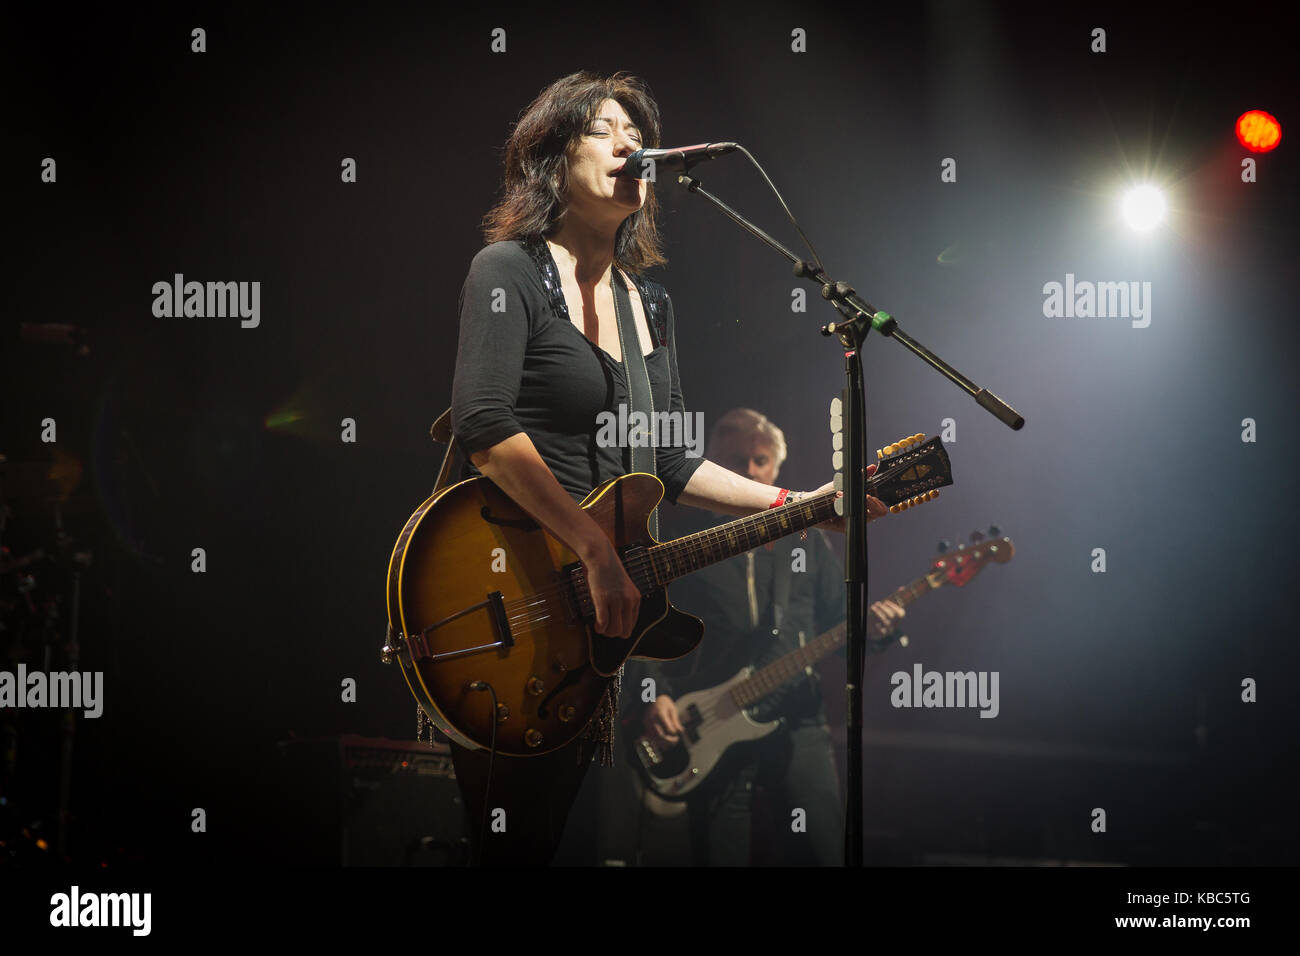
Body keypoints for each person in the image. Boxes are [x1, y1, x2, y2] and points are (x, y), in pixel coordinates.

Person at [446, 71, 888, 866]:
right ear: (552, 156)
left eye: (636, 131)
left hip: (596, 622)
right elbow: (484, 425)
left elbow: (676, 460)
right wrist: (592, 546)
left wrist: (807, 502)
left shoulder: (647, 305)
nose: (630, 143)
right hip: (502, 589)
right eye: (606, 127)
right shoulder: (507, 271)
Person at [637, 409, 905, 866]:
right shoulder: (679, 538)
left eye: (760, 460)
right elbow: (643, 626)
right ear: (710, 465)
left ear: (776, 469)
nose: (749, 470)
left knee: (821, 848)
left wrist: (877, 631)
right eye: (736, 460)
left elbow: (837, 626)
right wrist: (651, 694)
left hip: (796, 716)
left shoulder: (805, 540)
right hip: (706, 720)